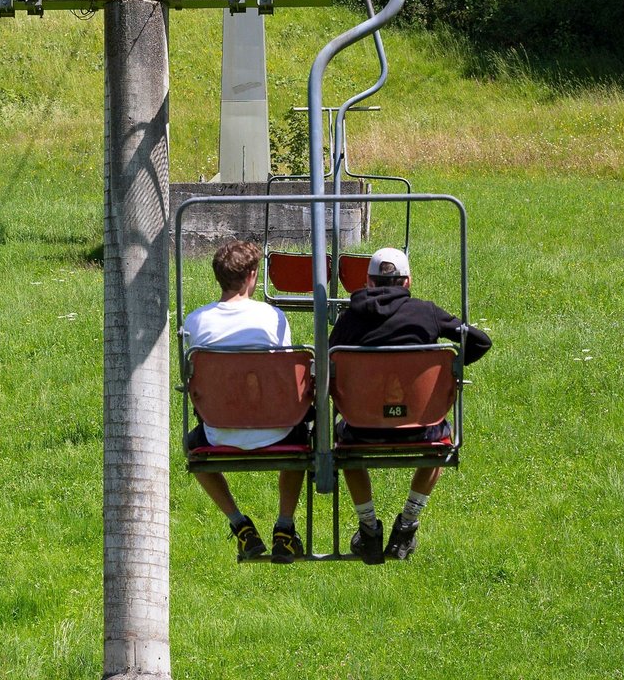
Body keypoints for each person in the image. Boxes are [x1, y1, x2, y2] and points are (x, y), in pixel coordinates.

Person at [329, 246, 492, 563]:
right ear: (407, 282)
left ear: (368, 282)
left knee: (342, 441)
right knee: (441, 438)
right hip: (422, 428)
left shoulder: (351, 317)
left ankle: (368, 526)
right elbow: (480, 340)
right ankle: (408, 522)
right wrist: (452, 367)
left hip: (362, 429)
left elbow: (329, 361)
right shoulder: (425, 312)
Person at [183, 239, 308, 562]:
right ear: (252, 275)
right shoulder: (273, 318)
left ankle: (239, 523)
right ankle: (284, 525)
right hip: (276, 428)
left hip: (219, 430)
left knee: (192, 448)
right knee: (304, 437)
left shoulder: (196, 321)